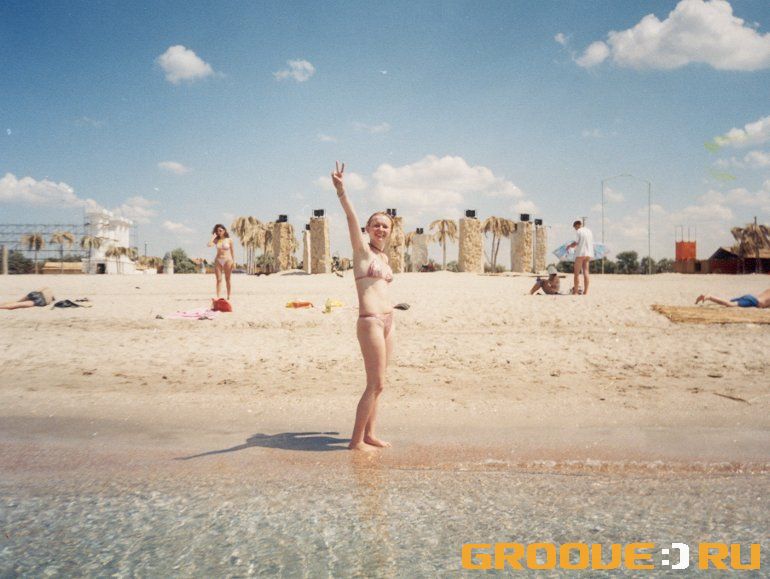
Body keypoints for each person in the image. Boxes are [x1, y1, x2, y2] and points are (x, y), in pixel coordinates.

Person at [333, 161, 395, 451]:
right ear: (368, 229)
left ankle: (370, 434)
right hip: (370, 321)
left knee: (381, 384)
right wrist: (342, 191)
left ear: (390, 231)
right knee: (375, 383)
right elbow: (350, 216)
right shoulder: (361, 251)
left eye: (385, 226)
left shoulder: (384, 258)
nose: (380, 229)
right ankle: (356, 441)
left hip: (388, 321)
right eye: (376, 225)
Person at [208, 224, 235, 301]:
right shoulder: (217, 240)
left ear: (224, 230)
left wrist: (234, 261)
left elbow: (232, 251)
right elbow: (209, 245)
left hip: (228, 260)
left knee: (227, 279)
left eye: (220, 230)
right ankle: (218, 296)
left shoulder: (229, 240)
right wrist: (213, 237)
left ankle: (228, 296)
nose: (219, 232)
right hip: (218, 260)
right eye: (217, 231)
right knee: (219, 279)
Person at [566, 220, 594, 295]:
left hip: (580, 253)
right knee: (586, 272)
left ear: (577, 225)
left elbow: (576, 243)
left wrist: (569, 246)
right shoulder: (589, 231)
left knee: (576, 273)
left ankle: (575, 292)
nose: (575, 229)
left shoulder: (579, 231)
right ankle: (586, 292)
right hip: (588, 253)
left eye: (575, 227)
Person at [695, 287, 770, 308]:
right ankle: (709, 297)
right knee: (730, 304)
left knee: (727, 302)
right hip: (754, 301)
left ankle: (708, 297)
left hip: (750, 297)